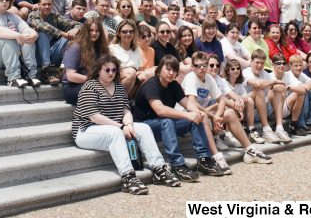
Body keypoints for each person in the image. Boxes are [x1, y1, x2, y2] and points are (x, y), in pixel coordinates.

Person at [72, 54, 180, 194]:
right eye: (107, 70)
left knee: (144, 128)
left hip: (113, 128)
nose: (111, 73)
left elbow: (126, 110)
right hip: (86, 131)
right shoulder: (90, 86)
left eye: (114, 70)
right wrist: (121, 127)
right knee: (116, 133)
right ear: (98, 70)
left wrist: (128, 125)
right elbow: (94, 117)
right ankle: (128, 177)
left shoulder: (119, 86)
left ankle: (159, 169)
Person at [133, 55, 219, 181]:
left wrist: (197, 113)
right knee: (167, 121)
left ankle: (204, 160)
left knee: (194, 119)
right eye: (168, 69)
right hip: (145, 127)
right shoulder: (151, 84)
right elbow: (160, 110)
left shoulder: (174, 85)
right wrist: (187, 114)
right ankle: (177, 164)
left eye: (174, 70)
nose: (171, 73)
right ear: (159, 69)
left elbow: (188, 103)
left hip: (163, 123)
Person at [183, 51, 272, 170]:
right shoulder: (190, 78)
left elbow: (221, 100)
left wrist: (218, 117)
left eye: (204, 65)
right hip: (186, 117)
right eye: (198, 66)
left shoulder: (209, 78)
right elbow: (191, 103)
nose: (202, 68)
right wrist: (213, 117)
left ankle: (250, 150)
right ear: (192, 67)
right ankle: (216, 156)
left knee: (229, 112)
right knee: (203, 115)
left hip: (204, 115)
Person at [28, 0, 81, 83]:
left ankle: (62, 69)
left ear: (53, 5)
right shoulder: (33, 15)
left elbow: (77, 24)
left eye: (49, 4)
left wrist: (75, 29)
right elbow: (43, 26)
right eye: (44, 4)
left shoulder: (54, 16)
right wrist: (62, 33)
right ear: (39, 5)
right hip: (36, 55)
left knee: (72, 35)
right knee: (42, 33)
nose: (47, 7)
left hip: (51, 53)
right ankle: (46, 72)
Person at [242, 50, 289, 143]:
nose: (259, 66)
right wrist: (273, 82)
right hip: (249, 111)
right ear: (251, 62)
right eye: (257, 63)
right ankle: (266, 129)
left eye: (262, 63)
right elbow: (257, 83)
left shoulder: (265, 74)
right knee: (260, 91)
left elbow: (283, 88)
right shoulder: (245, 72)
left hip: (263, 108)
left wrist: (270, 85)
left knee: (277, 91)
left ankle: (279, 128)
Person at [62, 17, 109, 105]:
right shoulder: (75, 47)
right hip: (72, 87)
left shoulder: (101, 48)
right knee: (98, 90)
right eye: (91, 30)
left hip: (93, 84)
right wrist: (95, 81)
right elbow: (71, 76)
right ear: (85, 31)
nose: (94, 33)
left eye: (97, 31)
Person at [110, 20, 147, 95]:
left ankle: (136, 100)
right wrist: (131, 72)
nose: (128, 34)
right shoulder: (112, 48)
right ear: (119, 33)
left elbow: (140, 70)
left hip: (133, 80)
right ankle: (118, 100)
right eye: (124, 31)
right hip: (115, 81)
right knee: (131, 72)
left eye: (131, 31)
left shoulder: (136, 50)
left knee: (151, 73)